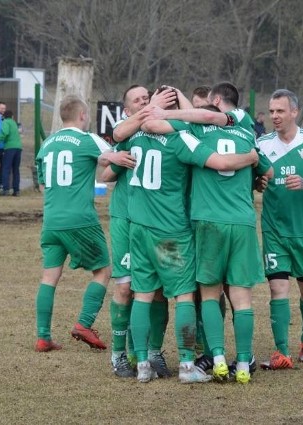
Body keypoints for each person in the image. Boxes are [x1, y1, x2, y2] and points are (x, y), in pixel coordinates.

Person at [103, 91, 259, 384]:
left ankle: (143, 366)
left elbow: (111, 149)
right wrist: (252, 158)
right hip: (171, 232)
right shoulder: (183, 138)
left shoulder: (134, 135)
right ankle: (187, 365)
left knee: (144, 293)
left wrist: (108, 154)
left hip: (138, 228)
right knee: (185, 295)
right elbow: (218, 162)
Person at [142, 104, 273, 384]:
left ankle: (217, 358)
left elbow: (156, 127)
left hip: (207, 221)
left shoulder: (196, 131)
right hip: (242, 222)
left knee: (210, 294)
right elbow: (268, 173)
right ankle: (243, 364)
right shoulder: (245, 133)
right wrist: (253, 170)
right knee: (242, 299)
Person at [33, 94, 136, 353]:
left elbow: (43, 186)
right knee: (103, 271)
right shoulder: (86, 139)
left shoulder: (46, 145)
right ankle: (84, 323)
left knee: (49, 278)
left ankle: (43, 337)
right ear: (82, 116)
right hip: (80, 219)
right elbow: (109, 158)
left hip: (52, 220)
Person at [255, 89, 303, 369]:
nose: (274, 116)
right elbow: (254, 179)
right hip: (274, 230)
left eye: (280, 111)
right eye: (272, 110)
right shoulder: (262, 144)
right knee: (278, 289)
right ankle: (281, 352)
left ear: (294, 112)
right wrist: (257, 184)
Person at [103, 84, 177, 378]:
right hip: (125, 218)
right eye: (138, 100)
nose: (145, 102)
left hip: (158, 223)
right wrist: (112, 158)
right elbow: (105, 170)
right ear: (127, 109)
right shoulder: (126, 131)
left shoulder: (163, 131)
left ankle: (152, 352)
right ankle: (120, 354)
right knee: (125, 287)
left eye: (148, 98)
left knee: (158, 290)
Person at [0, 110, 22, 196]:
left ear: (4, 117)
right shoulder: (14, 123)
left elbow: (5, 133)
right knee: (16, 169)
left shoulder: (5, 122)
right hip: (18, 148)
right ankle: (16, 190)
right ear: (12, 116)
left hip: (10, 148)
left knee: (6, 168)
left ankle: (5, 189)